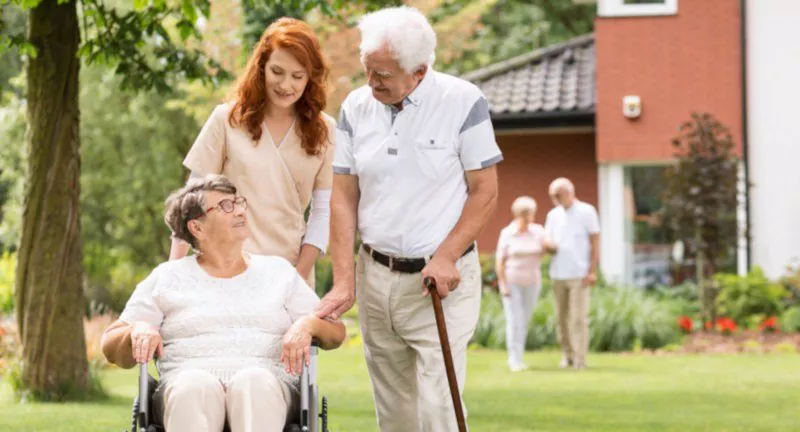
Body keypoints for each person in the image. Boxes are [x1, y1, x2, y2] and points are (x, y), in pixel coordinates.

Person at [314, 6, 502, 431]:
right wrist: (344, 279)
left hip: (439, 284)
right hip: (377, 277)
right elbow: (343, 197)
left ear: (419, 70)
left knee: (439, 409)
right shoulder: (356, 107)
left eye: (383, 74)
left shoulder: (462, 101)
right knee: (395, 413)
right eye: (368, 70)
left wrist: (448, 254)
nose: (371, 82)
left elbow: (485, 191)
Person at [101, 175, 345, 432]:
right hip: (185, 384)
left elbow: (336, 332)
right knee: (195, 386)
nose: (239, 210)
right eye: (226, 206)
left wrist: (308, 325)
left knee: (253, 382)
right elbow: (110, 344)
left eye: (239, 202)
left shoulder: (278, 272)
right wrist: (136, 329)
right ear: (197, 228)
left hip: (269, 385)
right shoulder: (167, 277)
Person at [169, 18, 335, 286]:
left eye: (297, 76)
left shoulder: (326, 131)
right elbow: (191, 201)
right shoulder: (227, 119)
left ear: (310, 78)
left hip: (287, 274)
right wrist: (173, 272)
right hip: (222, 270)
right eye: (277, 72)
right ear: (261, 68)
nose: (285, 85)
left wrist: (298, 277)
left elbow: (322, 212)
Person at [543, 177, 600, 370]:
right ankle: (567, 355)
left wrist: (592, 270)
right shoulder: (552, 215)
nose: (554, 200)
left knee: (578, 318)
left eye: (557, 195)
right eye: (552, 196)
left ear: (569, 192)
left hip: (579, 273)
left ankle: (580, 358)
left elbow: (595, 243)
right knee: (561, 318)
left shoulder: (587, 211)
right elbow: (547, 241)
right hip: (558, 273)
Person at [495, 196, 550, 372]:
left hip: (532, 282)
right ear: (517, 214)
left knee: (524, 320)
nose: (528, 217)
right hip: (512, 282)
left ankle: (520, 356)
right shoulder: (507, 233)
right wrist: (502, 285)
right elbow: (500, 262)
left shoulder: (538, 231)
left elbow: (546, 250)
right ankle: (514, 359)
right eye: (525, 214)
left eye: (530, 213)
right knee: (514, 320)